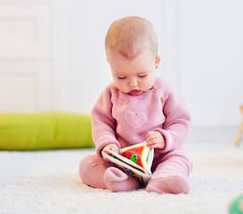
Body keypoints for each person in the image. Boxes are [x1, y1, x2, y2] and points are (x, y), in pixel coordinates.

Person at [79, 16, 193, 194]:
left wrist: (166, 138)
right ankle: (122, 180)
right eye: (122, 77)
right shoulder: (111, 93)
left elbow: (181, 122)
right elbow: (101, 122)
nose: (133, 84)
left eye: (141, 76)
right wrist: (108, 144)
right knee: (87, 165)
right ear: (110, 64)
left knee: (181, 158)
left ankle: (164, 178)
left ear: (156, 62)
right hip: (124, 160)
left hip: (160, 156)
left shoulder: (164, 91)